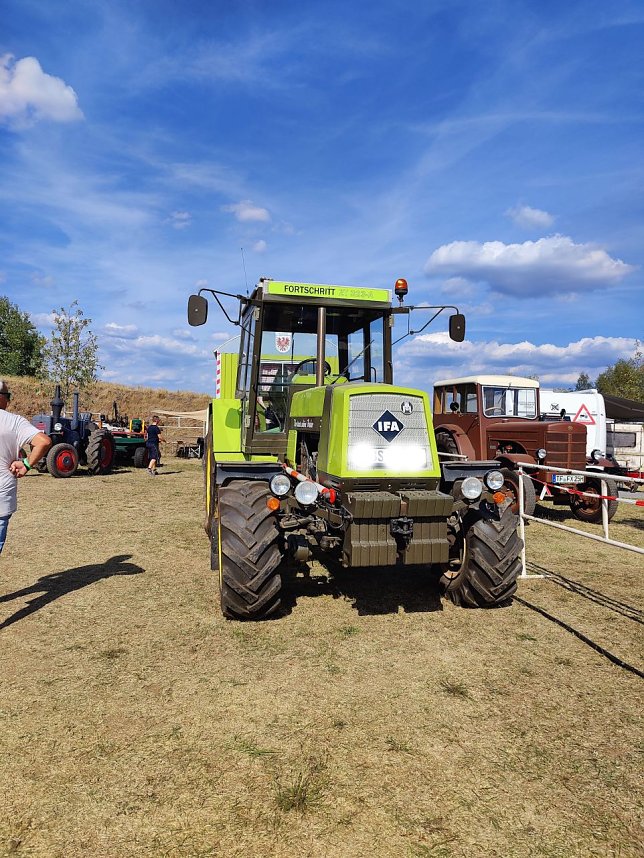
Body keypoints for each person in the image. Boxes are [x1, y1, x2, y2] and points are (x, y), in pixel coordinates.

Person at [0, 380, 52, 555]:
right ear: (2, 398)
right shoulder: (14, 421)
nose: (9, 401)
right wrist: (26, 464)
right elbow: (44, 442)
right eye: (8, 396)